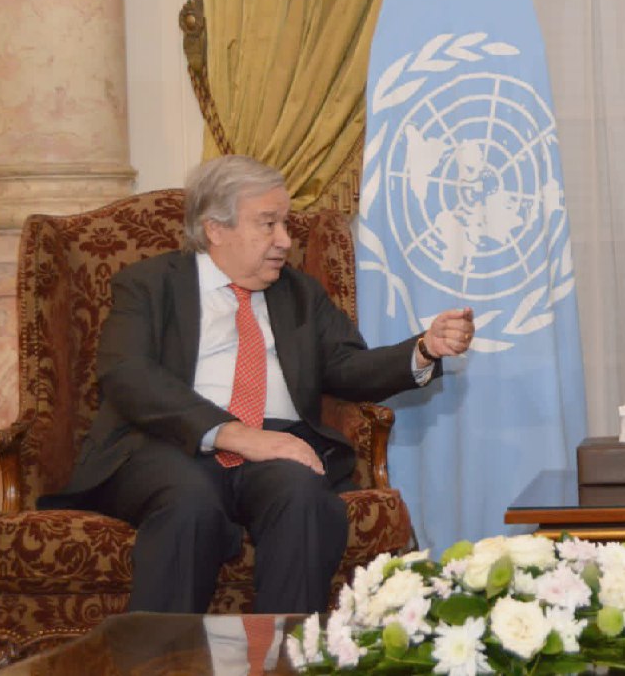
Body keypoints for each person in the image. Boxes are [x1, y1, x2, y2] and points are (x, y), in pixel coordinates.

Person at [40, 155, 476, 614]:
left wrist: (423, 349)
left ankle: (285, 648)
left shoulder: (300, 293)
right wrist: (234, 434)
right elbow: (129, 374)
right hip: (170, 444)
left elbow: (346, 366)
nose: (285, 240)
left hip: (277, 446)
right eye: (268, 224)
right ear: (215, 229)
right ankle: (164, 652)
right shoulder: (149, 285)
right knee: (190, 503)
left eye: (284, 223)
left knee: (303, 495)